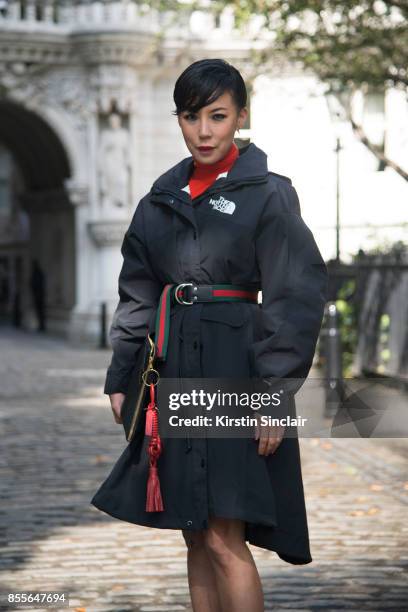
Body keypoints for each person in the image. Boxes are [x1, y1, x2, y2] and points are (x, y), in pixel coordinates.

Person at [91, 58, 328, 611]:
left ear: (240, 117)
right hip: (174, 369)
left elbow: (296, 296)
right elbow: (137, 294)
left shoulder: (268, 194)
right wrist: (123, 374)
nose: (204, 130)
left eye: (217, 116)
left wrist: (274, 397)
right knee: (193, 531)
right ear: (178, 119)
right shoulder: (157, 203)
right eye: (191, 116)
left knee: (224, 534)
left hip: (235, 370)